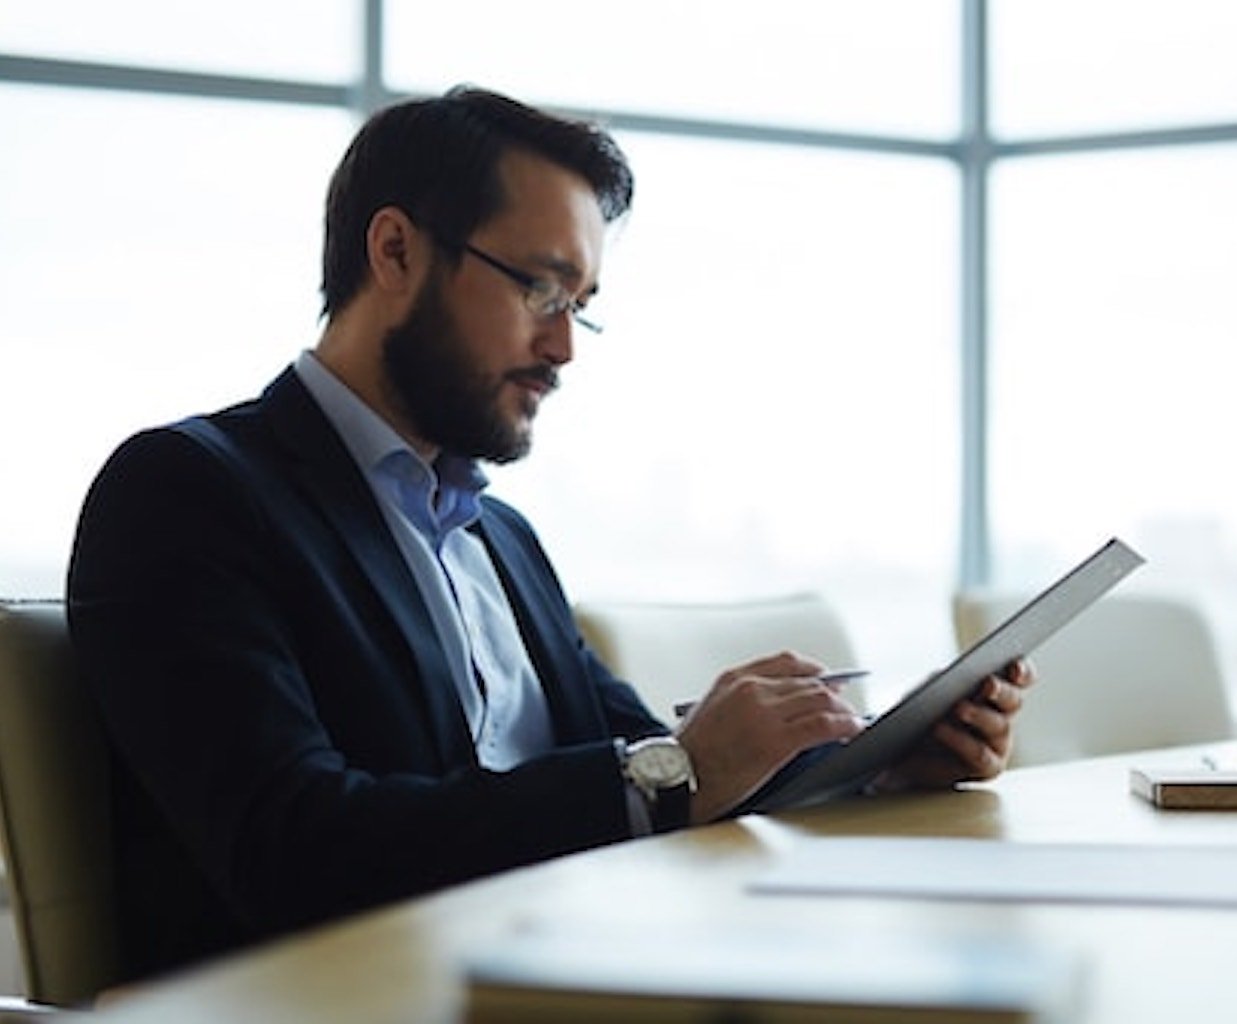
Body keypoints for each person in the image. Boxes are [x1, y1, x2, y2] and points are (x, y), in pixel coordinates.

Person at [66, 86, 1031, 985]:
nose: (564, 347)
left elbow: (650, 759)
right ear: (394, 252)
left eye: (580, 309)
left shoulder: (500, 538)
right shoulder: (188, 493)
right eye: (541, 288)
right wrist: (675, 770)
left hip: (562, 977)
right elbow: (292, 849)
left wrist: (877, 770)